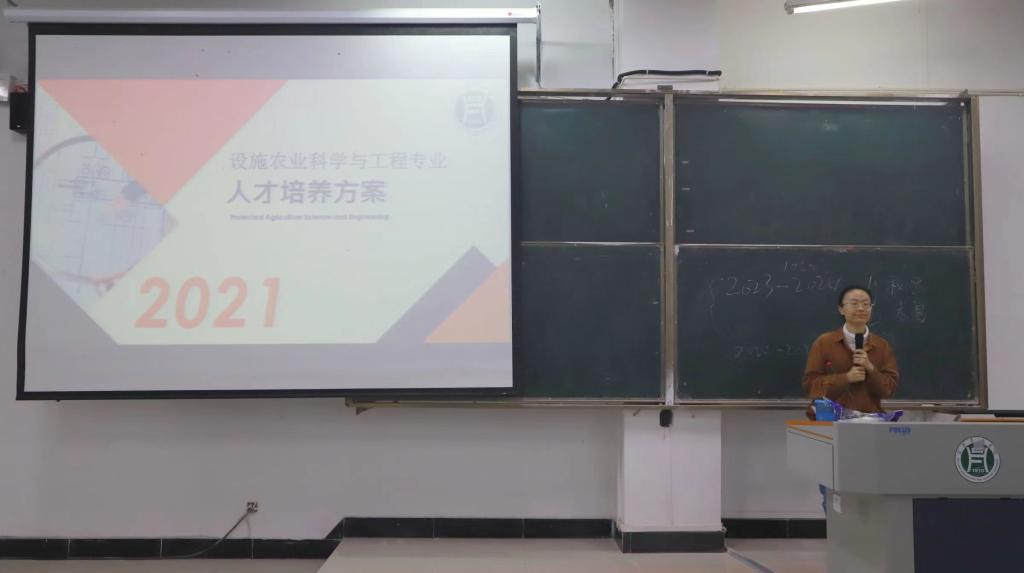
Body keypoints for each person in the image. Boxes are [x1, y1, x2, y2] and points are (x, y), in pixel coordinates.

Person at [802, 285, 899, 420]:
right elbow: (811, 386)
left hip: (869, 421)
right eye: (854, 303)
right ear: (841, 309)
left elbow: (888, 390)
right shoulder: (824, 343)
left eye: (866, 304)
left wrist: (870, 368)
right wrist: (846, 378)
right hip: (829, 420)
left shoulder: (881, 345)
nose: (861, 308)